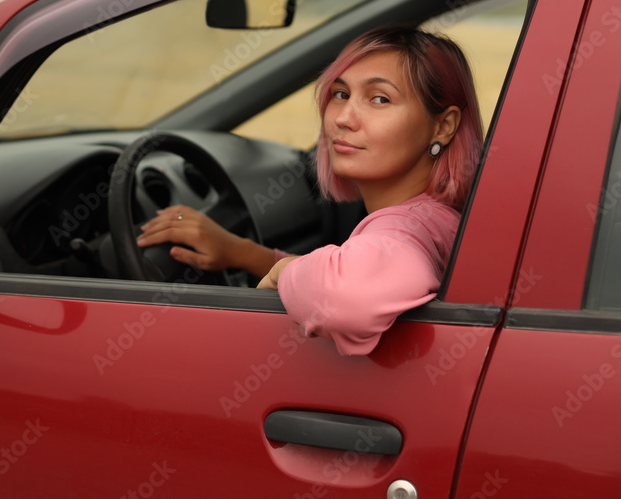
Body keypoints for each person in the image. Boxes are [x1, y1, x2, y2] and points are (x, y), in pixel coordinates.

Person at [136, 26, 483, 354]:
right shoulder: (439, 216)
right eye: (340, 94)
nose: (344, 118)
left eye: (379, 99)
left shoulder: (409, 228)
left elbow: (350, 296)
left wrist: (282, 272)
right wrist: (241, 252)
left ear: (443, 126)